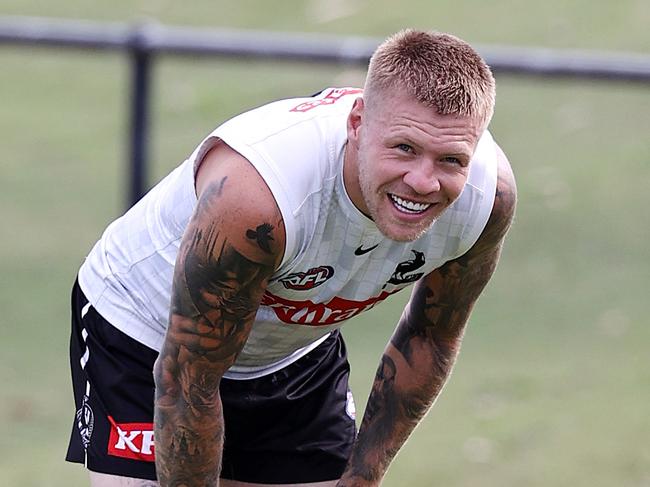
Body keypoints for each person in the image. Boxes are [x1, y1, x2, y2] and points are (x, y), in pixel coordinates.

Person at [66, 28, 517, 486]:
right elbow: (191, 377)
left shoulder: (485, 202)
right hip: (148, 334)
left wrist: (362, 477)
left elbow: (431, 337)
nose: (422, 182)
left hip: (291, 351)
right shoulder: (257, 200)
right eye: (405, 148)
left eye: (450, 160)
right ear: (357, 122)